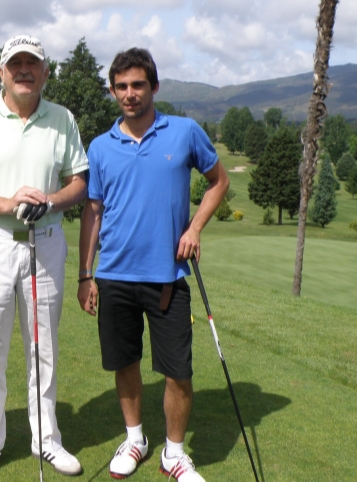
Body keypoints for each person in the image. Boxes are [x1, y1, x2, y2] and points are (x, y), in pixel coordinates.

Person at [78, 48, 229, 481]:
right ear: (113, 91)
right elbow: (94, 211)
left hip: (168, 276)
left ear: (154, 87)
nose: (129, 94)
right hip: (114, 276)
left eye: (138, 85)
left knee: (178, 371)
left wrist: (195, 227)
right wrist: (85, 275)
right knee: (124, 363)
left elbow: (219, 181)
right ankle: (136, 438)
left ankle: (174, 454)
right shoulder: (101, 146)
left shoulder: (184, 132)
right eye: (121, 86)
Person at [0, 35, 88, 482]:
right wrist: (9, 203)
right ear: (2, 72)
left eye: (33, 64)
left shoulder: (62, 119)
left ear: (46, 72)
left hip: (45, 241)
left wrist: (49, 200)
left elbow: (79, 183)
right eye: (16, 64)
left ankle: (46, 439)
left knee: (43, 348)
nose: (24, 70)